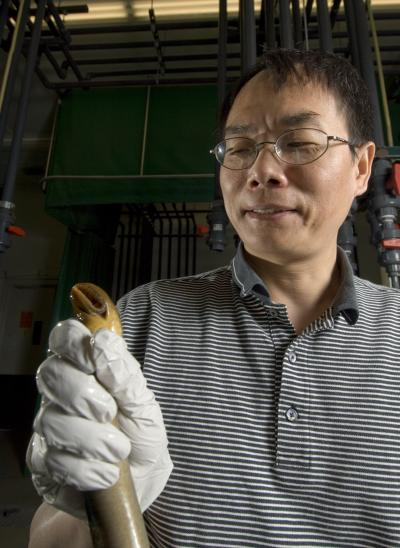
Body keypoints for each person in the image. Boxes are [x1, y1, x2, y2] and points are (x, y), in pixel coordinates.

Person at [28, 47, 400, 547]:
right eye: (240, 147)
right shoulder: (141, 322)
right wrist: (93, 504)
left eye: (299, 142)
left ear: (361, 166)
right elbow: (48, 541)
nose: (261, 170)